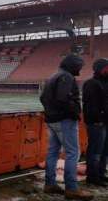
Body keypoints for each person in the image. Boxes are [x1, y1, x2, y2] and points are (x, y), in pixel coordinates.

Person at [40, 53, 93, 200]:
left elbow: (42, 98)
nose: (80, 69)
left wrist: (51, 113)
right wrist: (75, 112)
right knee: (73, 153)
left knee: (52, 152)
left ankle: (49, 184)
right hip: (64, 121)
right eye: (79, 66)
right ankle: (71, 188)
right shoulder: (66, 77)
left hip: (52, 120)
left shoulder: (54, 76)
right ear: (72, 65)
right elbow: (63, 99)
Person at [83, 58, 108, 186]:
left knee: (104, 151)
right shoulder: (91, 83)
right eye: (106, 67)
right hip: (97, 123)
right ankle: (92, 176)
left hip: (105, 123)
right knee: (96, 150)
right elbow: (90, 106)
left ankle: (100, 174)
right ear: (100, 68)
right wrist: (98, 119)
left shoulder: (105, 83)